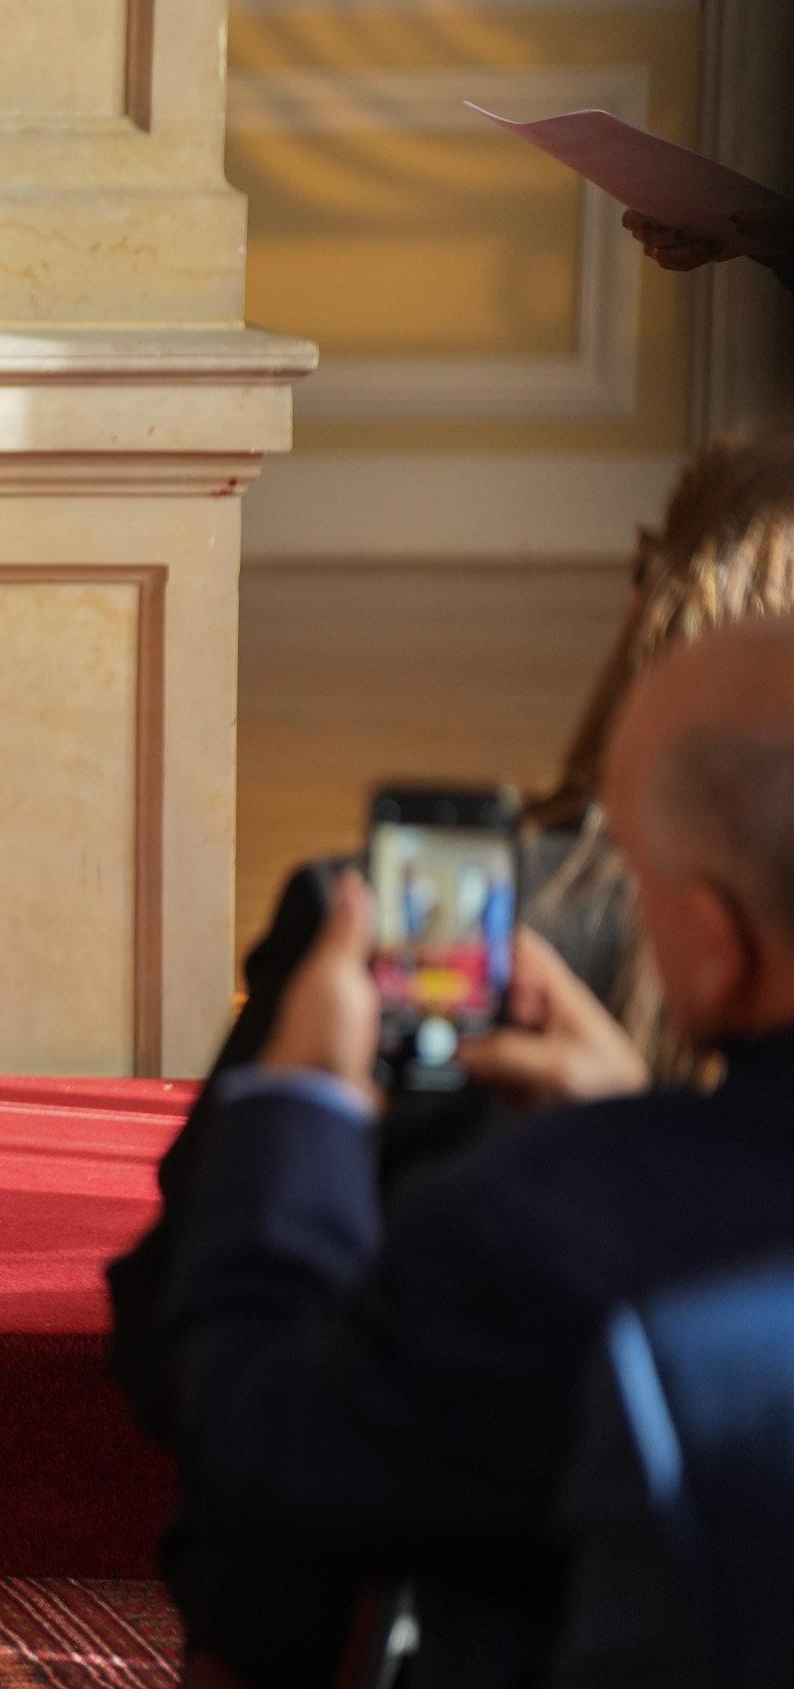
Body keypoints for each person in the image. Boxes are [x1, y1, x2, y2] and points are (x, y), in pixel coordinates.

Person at [160, 616, 794, 1687]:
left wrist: (303, 1106)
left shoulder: (542, 1227)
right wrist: (643, 1124)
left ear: (714, 940)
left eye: (639, 879)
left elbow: (272, 1451)